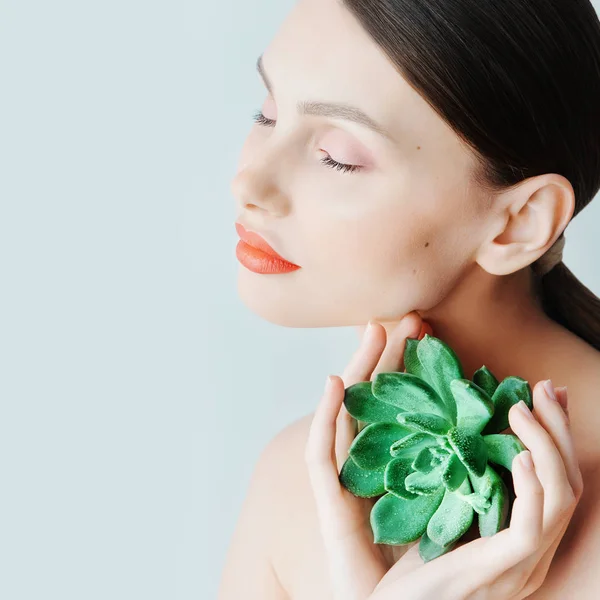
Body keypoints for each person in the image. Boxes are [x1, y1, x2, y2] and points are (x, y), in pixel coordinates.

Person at [219, 0, 600, 597]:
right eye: (267, 114)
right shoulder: (300, 482)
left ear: (520, 222)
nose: (250, 182)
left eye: (336, 156)